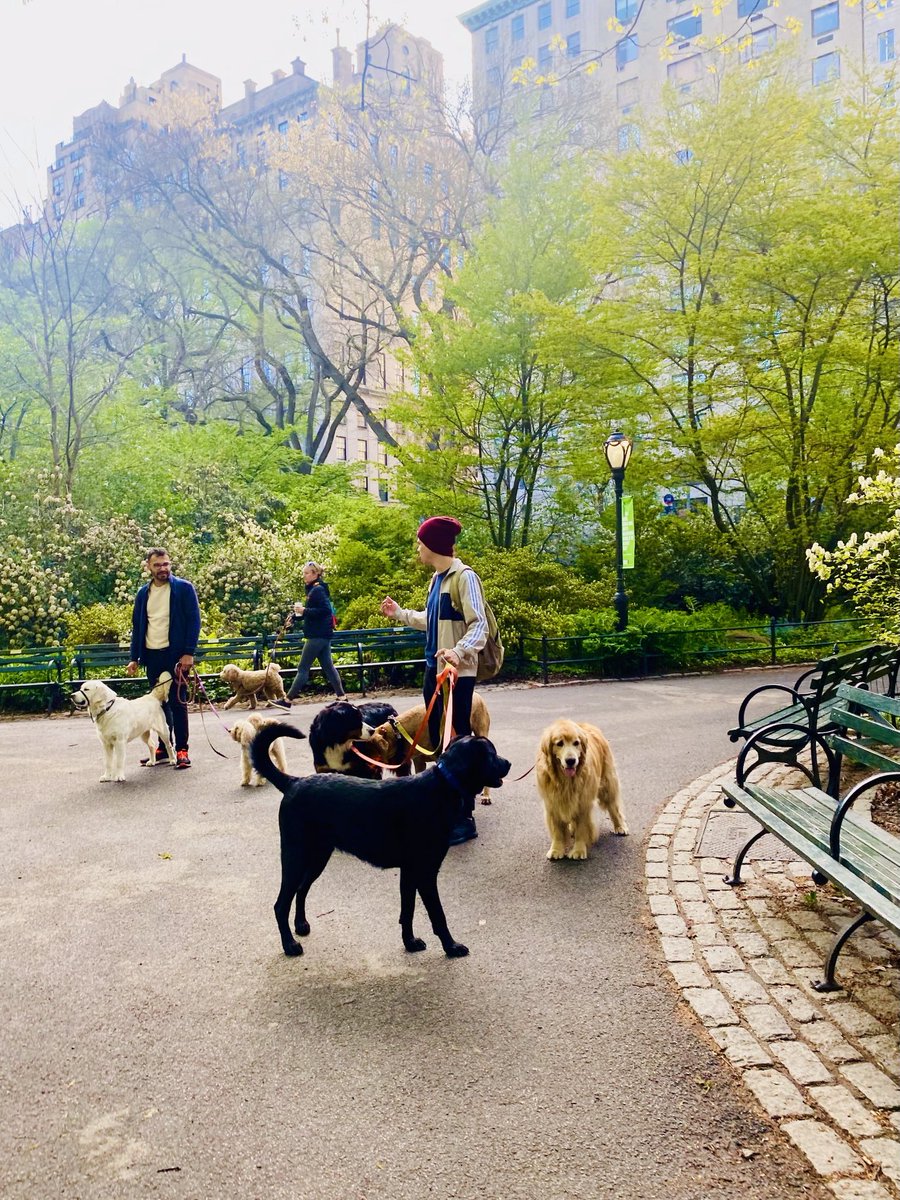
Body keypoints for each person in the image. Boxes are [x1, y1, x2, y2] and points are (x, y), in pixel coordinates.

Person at [380, 516, 489, 845]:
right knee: (443, 743)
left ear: (434, 545)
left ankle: (464, 816)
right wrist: (400, 613)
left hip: (456, 675)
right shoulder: (437, 580)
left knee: (457, 741)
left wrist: (458, 652)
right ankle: (448, 808)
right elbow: (433, 621)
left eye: (420, 542)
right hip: (434, 672)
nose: (418, 548)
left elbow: (478, 624)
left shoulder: (464, 577)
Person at [126, 547, 201, 770]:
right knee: (157, 705)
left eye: (166, 564)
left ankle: (182, 749)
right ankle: (163, 747)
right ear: (148, 566)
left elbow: (194, 621)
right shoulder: (143, 594)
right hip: (152, 655)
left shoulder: (184, 589)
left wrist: (189, 652)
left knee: (178, 702)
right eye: (158, 565)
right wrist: (134, 657)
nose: (163, 569)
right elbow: (138, 627)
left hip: (176, 655)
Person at [285, 562, 347, 702]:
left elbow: (325, 610)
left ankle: (287, 700)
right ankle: (342, 697)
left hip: (317, 635)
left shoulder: (317, 590)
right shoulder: (314, 589)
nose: (304, 576)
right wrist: (295, 616)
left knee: (303, 668)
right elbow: (314, 612)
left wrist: (304, 611)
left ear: (315, 574)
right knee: (328, 667)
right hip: (323, 633)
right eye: (304, 573)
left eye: (306, 573)